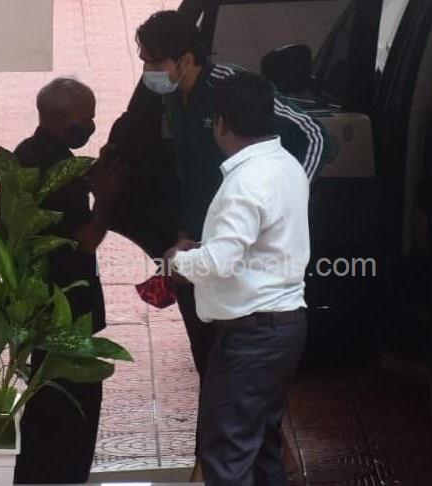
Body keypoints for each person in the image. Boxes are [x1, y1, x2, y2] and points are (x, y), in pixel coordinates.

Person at [135, 10, 326, 477]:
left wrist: (283, 199)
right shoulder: (172, 99)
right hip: (219, 266)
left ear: (185, 59)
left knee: (233, 436)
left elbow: (314, 134)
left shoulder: (231, 93)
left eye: (153, 61)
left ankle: (213, 462)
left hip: (239, 287)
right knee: (239, 409)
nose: (147, 71)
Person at [167, 71, 310, 485]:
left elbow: (219, 262)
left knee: (227, 457)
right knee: (262, 449)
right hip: (282, 329)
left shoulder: (245, 183)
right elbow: (252, 246)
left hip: (251, 338)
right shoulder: (286, 166)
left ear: (221, 123)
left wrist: (178, 261)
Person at [12, 77, 125, 484]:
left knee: (45, 403)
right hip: (67, 305)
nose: (91, 125)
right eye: (86, 119)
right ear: (62, 120)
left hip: (36, 299)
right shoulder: (60, 172)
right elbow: (87, 239)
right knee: (72, 409)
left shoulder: (25, 153)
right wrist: (105, 197)